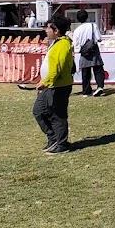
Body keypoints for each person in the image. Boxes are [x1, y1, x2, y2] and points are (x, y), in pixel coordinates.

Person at [34, 17, 75, 154]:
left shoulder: (63, 44)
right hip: (50, 85)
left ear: (56, 30)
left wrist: (46, 82)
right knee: (38, 111)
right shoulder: (56, 43)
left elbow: (58, 66)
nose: (46, 30)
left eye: (48, 28)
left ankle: (62, 144)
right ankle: (53, 139)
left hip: (58, 86)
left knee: (57, 115)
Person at [70, 9, 104, 97]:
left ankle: (86, 91)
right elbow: (99, 38)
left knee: (85, 72)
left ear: (78, 19)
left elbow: (75, 44)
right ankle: (100, 86)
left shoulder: (77, 30)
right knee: (98, 69)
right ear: (87, 17)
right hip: (93, 49)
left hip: (84, 51)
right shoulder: (93, 25)